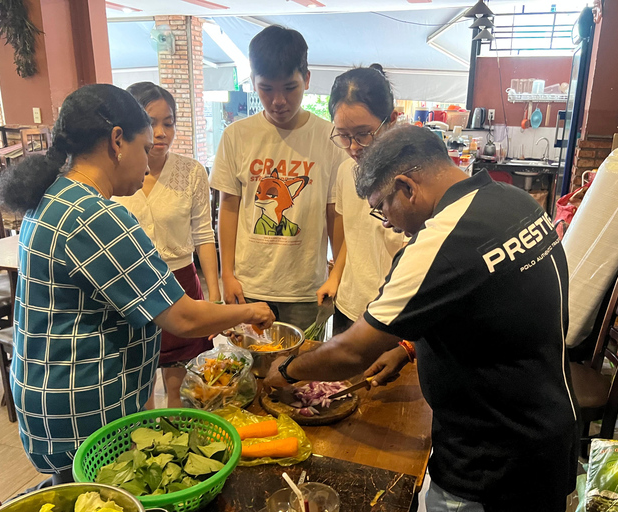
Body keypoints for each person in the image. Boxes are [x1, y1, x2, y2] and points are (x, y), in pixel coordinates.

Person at [266, 125, 578, 512]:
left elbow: (352, 351)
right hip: (549, 429)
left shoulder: (441, 240)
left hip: (490, 460)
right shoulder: (515, 202)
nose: (388, 224)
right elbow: (491, 307)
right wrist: (408, 346)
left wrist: (287, 370)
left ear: (406, 187)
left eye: (382, 208)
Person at [0, 84, 274, 486]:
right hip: (83, 401)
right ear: (117, 141)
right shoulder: (96, 216)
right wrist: (251, 310)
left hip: (48, 390)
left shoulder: (53, 197)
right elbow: (182, 317)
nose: (147, 165)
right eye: (144, 148)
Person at [209, 25, 346, 330]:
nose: (278, 100)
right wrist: (227, 274)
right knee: (249, 370)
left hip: (306, 289)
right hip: (250, 286)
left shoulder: (329, 138)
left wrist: (337, 274)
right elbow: (228, 209)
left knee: (301, 371)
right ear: (253, 83)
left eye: (290, 87)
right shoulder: (236, 136)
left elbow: (334, 212)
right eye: (266, 89)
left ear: (307, 79)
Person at [114, 82, 220, 410]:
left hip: (181, 285)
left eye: (169, 123)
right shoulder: (115, 174)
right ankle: (148, 451)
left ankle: (179, 446)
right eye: (151, 122)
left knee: (182, 389)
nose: (161, 133)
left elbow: (204, 234)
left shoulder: (191, 172)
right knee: (138, 389)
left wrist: (213, 296)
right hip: (130, 288)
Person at [316, 65, 405, 335]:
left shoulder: (410, 181)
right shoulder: (346, 171)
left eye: (364, 134)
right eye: (343, 135)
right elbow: (354, 236)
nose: (353, 147)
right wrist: (335, 276)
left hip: (392, 314)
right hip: (348, 305)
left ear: (391, 119)